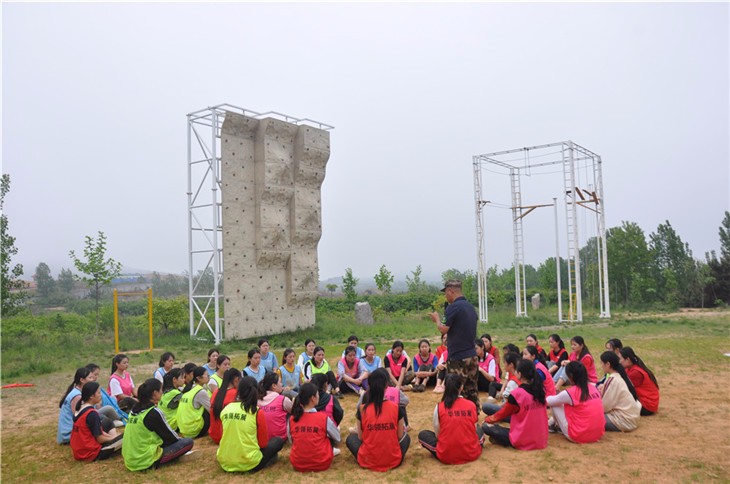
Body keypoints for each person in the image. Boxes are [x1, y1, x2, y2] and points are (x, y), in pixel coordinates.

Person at [122, 378, 194, 471]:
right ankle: (157, 461)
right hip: (144, 460)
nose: (162, 393)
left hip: (130, 460)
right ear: (155, 393)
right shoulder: (153, 412)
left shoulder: (133, 411)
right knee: (188, 442)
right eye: (161, 390)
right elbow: (171, 437)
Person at [346, 369, 410, 471]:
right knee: (406, 437)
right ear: (386, 386)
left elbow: (361, 437)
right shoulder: (396, 408)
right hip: (393, 459)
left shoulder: (362, 409)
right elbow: (399, 436)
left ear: (369, 386)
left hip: (367, 460)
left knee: (351, 439)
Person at [429, 279, 479, 411]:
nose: (445, 296)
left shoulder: (452, 308)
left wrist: (437, 319)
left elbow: (443, 329)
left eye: (445, 292)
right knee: (471, 389)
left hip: (458, 357)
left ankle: (455, 417)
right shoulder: (471, 307)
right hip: (472, 355)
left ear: (450, 291)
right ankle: (474, 415)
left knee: (455, 390)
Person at [217, 377, 285, 473]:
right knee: (277, 441)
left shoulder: (227, 408)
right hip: (250, 463)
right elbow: (263, 444)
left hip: (225, 461)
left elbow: (221, 436)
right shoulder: (256, 412)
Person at [482, 359, 548, 450]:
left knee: (486, 427)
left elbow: (503, 413)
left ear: (519, 374)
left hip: (523, 439)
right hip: (541, 438)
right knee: (487, 408)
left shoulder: (517, 394)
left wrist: (488, 420)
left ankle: (502, 439)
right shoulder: (540, 390)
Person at [418, 373, 484, 464]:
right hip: (471, 453)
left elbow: (438, 434)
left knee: (423, 434)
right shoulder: (471, 405)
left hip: (446, 455)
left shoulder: (439, 407)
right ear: (461, 387)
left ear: (445, 387)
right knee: (479, 429)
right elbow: (474, 428)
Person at [546, 361, 605, 444]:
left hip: (578, 435)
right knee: (565, 403)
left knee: (555, 404)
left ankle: (553, 425)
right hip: (598, 433)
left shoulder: (570, 392)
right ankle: (553, 423)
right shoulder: (594, 388)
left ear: (571, 377)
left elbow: (548, 401)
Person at [288, 382, 341, 472]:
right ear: (313, 398)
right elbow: (337, 438)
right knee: (329, 434)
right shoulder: (323, 418)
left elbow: (291, 440)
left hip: (298, 463)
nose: (319, 396)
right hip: (321, 462)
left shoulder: (292, 419)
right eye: (317, 394)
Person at [70, 382, 123, 461]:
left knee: (107, 421)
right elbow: (100, 439)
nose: (100, 395)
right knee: (125, 437)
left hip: (79, 451)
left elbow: (95, 431)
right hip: (91, 453)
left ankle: (114, 441)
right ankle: (114, 443)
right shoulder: (92, 414)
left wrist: (111, 437)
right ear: (91, 396)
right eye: (98, 393)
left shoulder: (80, 408)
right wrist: (113, 438)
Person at [598, 351, 641, 432]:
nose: (601, 366)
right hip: (631, 418)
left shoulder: (613, 380)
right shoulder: (617, 377)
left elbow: (605, 406)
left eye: (602, 363)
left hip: (624, 421)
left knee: (591, 417)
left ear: (608, 364)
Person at [620, 347, 660, 415]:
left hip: (647, 406)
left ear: (627, 359)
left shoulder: (635, 373)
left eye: (620, 359)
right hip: (647, 403)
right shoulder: (631, 368)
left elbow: (621, 387)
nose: (619, 362)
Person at [482, 352, 521, 420]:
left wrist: (498, 407)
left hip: (513, 412)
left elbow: (507, 402)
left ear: (511, 365)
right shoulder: (519, 376)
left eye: (505, 363)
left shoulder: (512, 382)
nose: (504, 365)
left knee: (486, 407)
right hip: (517, 409)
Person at [59, 367, 93, 444]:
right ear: (82, 380)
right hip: (68, 434)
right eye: (90, 377)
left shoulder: (75, 391)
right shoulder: (77, 396)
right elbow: (79, 417)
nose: (92, 380)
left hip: (67, 432)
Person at [257, 372, 293, 440]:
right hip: (281, 438)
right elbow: (295, 411)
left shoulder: (258, 400)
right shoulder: (282, 400)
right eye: (280, 382)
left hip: (262, 438)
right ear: (274, 386)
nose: (282, 384)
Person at [209, 368, 241, 444]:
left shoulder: (216, 392)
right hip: (227, 437)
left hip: (214, 435)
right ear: (236, 379)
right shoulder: (236, 393)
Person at [177, 367, 211, 438]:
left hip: (184, 430)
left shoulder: (189, 388)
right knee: (211, 410)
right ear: (199, 378)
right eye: (207, 375)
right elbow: (211, 410)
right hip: (193, 430)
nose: (209, 376)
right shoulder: (201, 391)